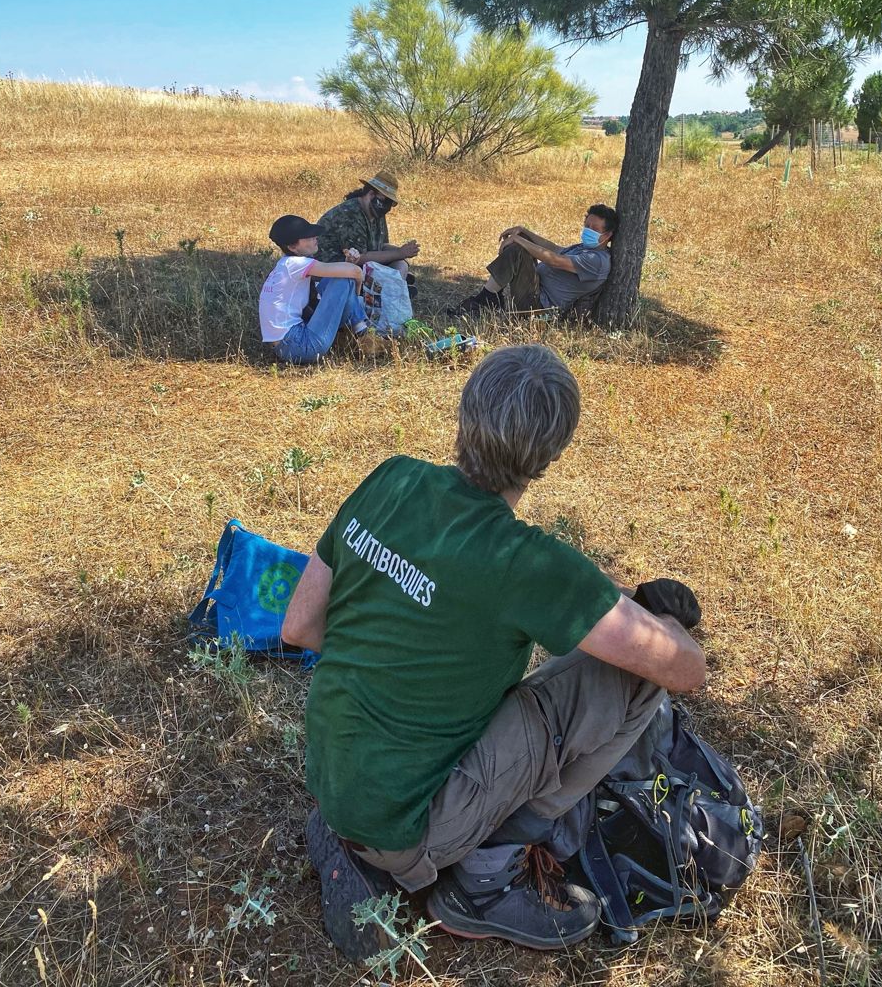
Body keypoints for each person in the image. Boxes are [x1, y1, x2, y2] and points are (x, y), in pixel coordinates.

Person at [282, 343, 706, 957]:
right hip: (409, 827)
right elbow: (683, 668)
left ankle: (380, 844)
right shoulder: (526, 562)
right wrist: (660, 621)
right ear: (549, 457)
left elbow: (299, 626)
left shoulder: (391, 480)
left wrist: (401, 657)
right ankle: (486, 878)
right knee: (636, 681)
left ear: (463, 414)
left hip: (333, 779)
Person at [452, 204, 618, 318]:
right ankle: (490, 297)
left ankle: (485, 299)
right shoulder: (584, 248)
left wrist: (519, 241)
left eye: (595, 229)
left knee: (518, 249)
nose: (588, 231)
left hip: (538, 307)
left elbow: (556, 261)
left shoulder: (597, 260)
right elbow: (554, 248)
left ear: (608, 235)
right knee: (522, 240)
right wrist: (524, 232)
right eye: (586, 226)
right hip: (536, 289)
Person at [259, 214, 383, 363]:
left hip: (286, 346)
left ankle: (351, 334)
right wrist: (356, 289)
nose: (315, 237)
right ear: (292, 247)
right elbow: (354, 273)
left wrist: (348, 263)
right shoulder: (296, 264)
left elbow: (332, 279)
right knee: (344, 280)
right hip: (299, 345)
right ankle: (363, 334)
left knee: (335, 278)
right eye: (308, 237)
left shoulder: (284, 265)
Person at [316, 171, 420, 290]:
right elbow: (359, 257)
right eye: (385, 201)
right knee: (396, 264)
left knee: (400, 263)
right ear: (371, 194)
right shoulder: (350, 215)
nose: (387, 207)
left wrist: (404, 252)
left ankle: (395, 288)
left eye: (390, 204)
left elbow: (381, 246)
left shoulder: (375, 213)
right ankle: (393, 291)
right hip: (332, 269)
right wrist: (399, 253)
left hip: (357, 266)